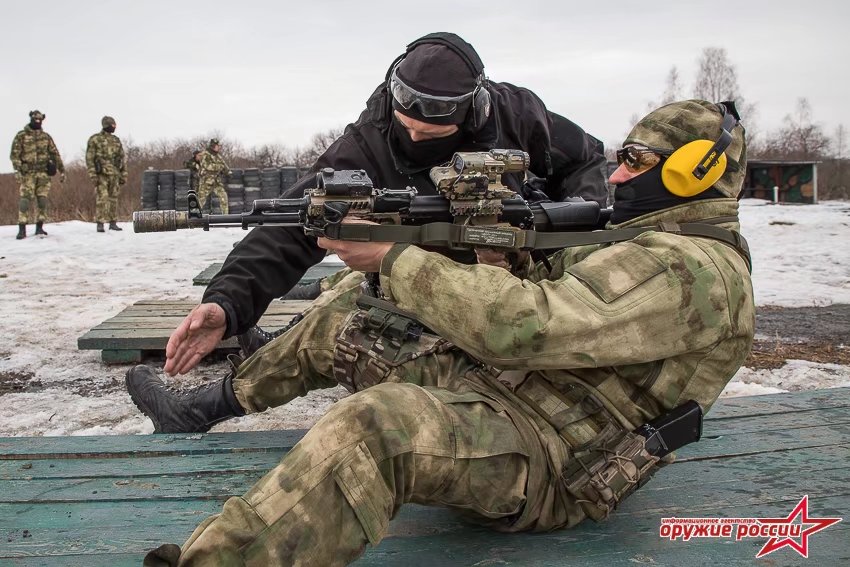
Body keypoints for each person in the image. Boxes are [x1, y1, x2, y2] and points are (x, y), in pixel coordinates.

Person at [130, 98, 755, 566]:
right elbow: (556, 300)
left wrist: (395, 258)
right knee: (356, 306)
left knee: (376, 427)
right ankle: (206, 406)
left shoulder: (694, 270)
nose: (617, 175)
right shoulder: (645, 238)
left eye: (638, 161)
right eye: (622, 158)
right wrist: (498, 254)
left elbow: (526, 327)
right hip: (511, 390)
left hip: (559, 458)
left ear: (695, 171)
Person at [161, 32, 610, 377]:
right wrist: (226, 302)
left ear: (472, 113)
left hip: (516, 274)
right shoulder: (365, 145)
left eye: (429, 136)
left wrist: (566, 227)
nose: (412, 138)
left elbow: (585, 157)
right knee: (348, 292)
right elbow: (294, 223)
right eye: (405, 126)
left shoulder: (516, 113)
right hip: (426, 277)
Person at [9, 110, 65, 239]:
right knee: (25, 200)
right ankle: (22, 228)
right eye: (36, 119)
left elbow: (55, 154)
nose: (38, 121)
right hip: (28, 173)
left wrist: (62, 170)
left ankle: (40, 227)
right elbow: (14, 155)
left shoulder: (45, 137)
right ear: (31, 119)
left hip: (43, 173)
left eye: (40, 119)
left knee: (42, 200)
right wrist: (18, 169)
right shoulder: (22, 136)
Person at [86, 115, 128, 232]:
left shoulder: (116, 140)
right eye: (112, 125)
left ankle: (113, 222)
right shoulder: (95, 139)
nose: (114, 127)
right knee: (102, 198)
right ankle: (100, 223)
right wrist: (93, 175)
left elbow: (122, 158)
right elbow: (89, 159)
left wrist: (124, 174)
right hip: (101, 174)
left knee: (114, 198)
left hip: (115, 174)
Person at [196, 138, 230, 214]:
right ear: (213, 146)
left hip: (216, 181)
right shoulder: (205, 154)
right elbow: (207, 166)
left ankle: (226, 216)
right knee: (200, 201)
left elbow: (224, 165)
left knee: (224, 197)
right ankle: (194, 216)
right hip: (206, 181)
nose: (219, 147)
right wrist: (219, 167)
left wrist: (228, 172)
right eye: (218, 146)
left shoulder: (217, 156)